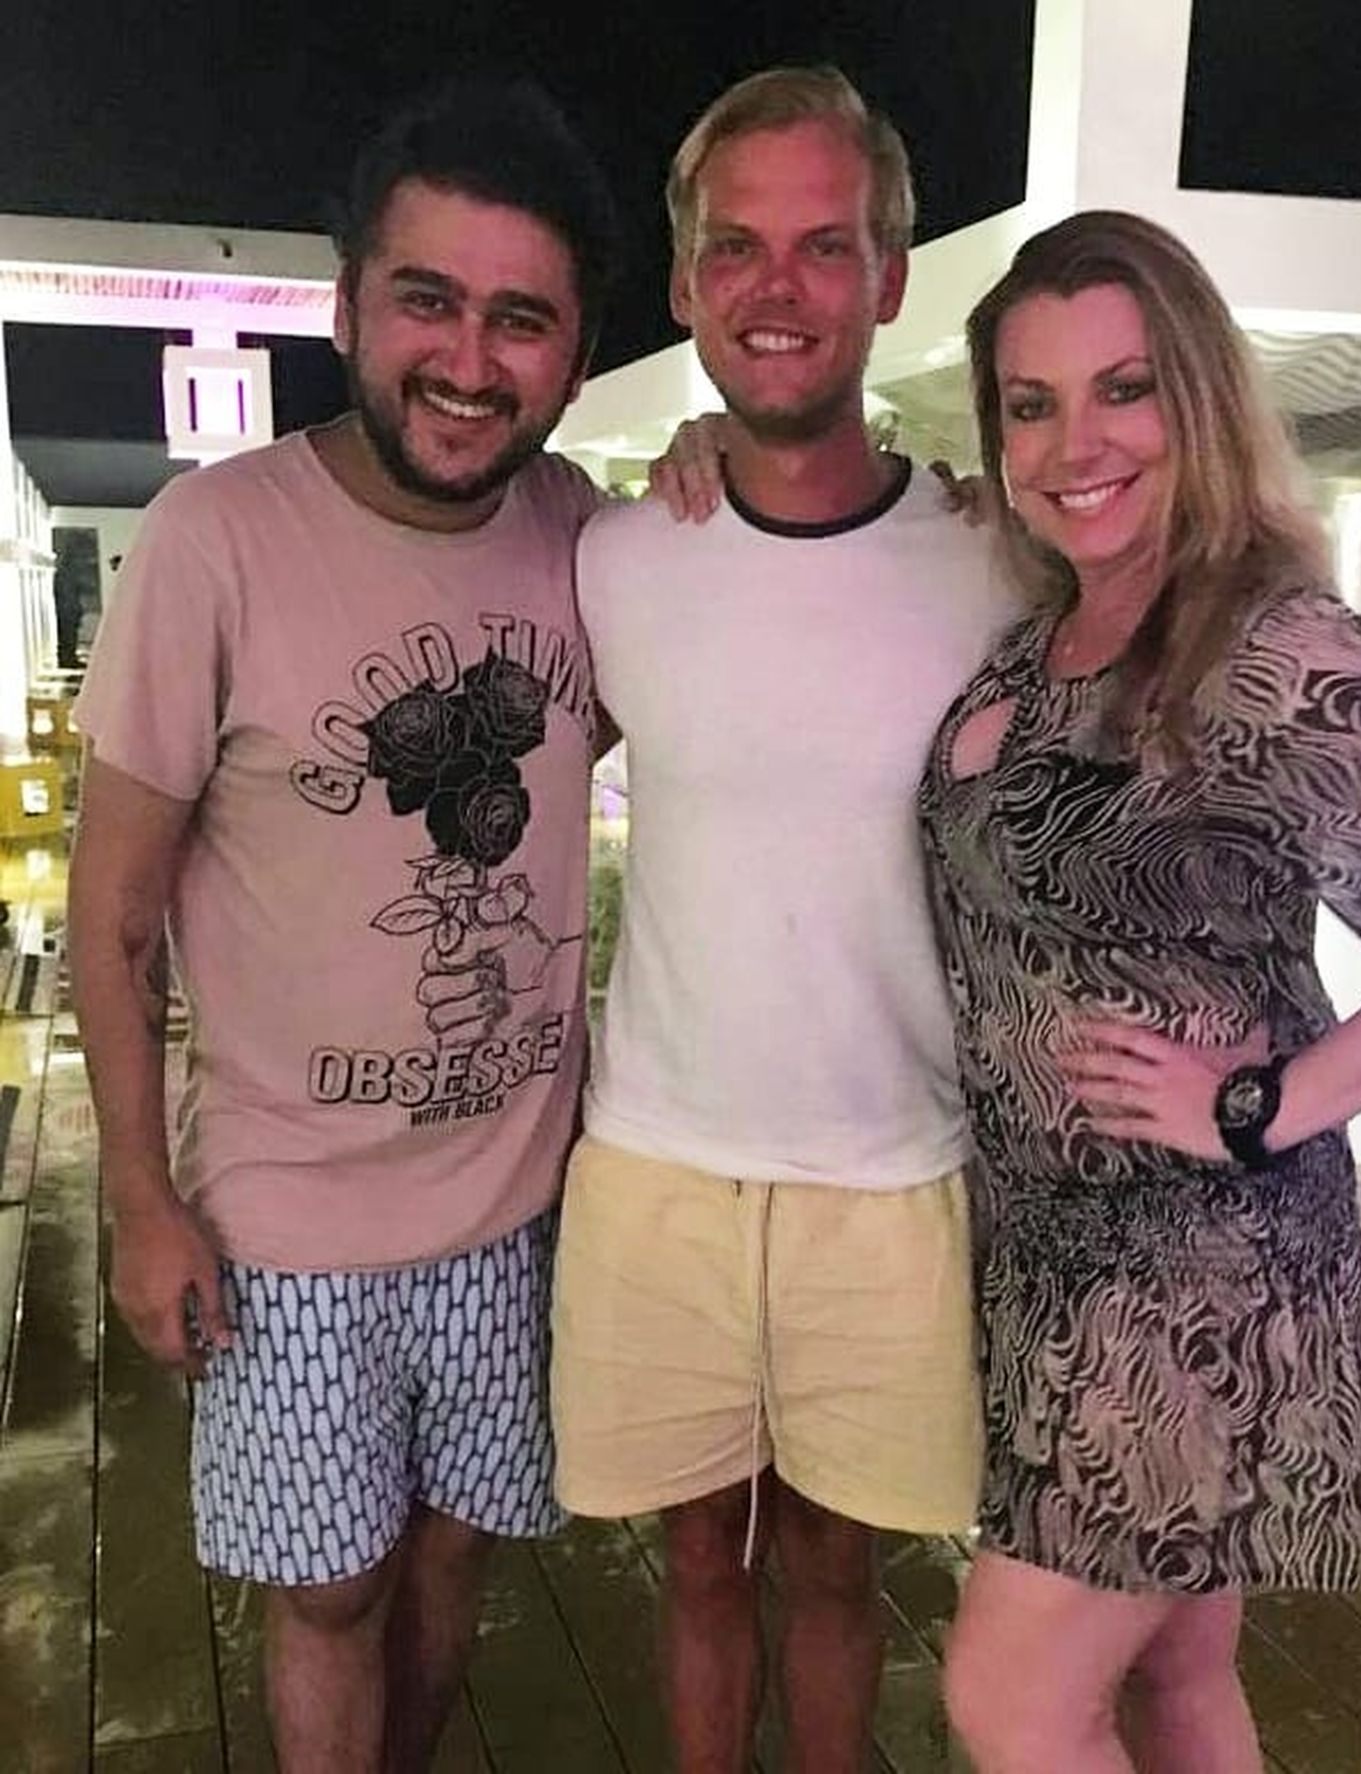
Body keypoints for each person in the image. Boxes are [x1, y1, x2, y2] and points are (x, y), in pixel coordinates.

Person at [919, 211, 1361, 1773]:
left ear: (1198, 397)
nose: (1077, 444)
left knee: (1010, 1699)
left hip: (1195, 1288)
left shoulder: (1262, 643)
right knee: (1178, 1679)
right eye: (1032, 404)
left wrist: (1264, 1101)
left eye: (1124, 389)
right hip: (1055, 1263)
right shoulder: (1044, 636)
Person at [68, 80, 618, 1774]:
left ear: (576, 352)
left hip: (521, 1198)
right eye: (427, 299)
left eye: (521, 317)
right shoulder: (214, 540)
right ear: (347, 305)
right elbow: (111, 918)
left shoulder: (586, 536)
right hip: (287, 1216)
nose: (470, 358)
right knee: (329, 1591)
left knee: (455, 1555)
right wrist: (141, 1200)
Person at [550, 67, 1019, 1774]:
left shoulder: (995, 556)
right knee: (695, 1562)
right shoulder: (616, 559)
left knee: (834, 1570)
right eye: (736, 247)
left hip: (892, 1169)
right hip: (657, 1158)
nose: (777, 286)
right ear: (683, 281)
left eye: (825, 245)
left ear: (889, 276)